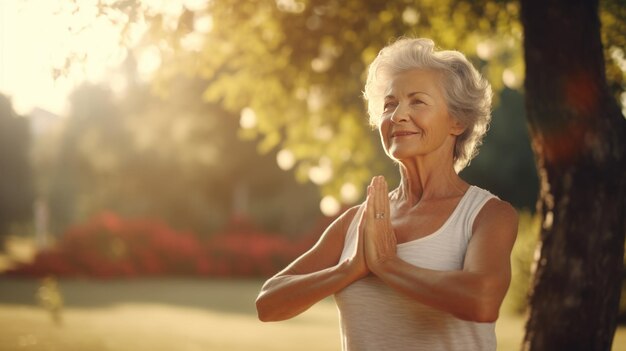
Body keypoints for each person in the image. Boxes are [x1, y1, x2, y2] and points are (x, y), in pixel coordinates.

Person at [255, 37, 518, 351]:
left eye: (417, 101)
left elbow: (483, 301)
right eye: (390, 104)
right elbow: (268, 303)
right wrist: (348, 270)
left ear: (457, 121)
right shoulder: (357, 221)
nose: (397, 116)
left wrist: (387, 265)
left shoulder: (487, 215)